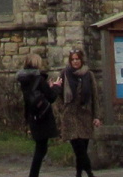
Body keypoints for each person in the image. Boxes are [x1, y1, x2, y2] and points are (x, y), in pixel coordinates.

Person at [16, 53, 62, 177]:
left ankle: (33, 174)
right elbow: (51, 97)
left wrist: (48, 87)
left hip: (33, 116)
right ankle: (33, 174)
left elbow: (34, 95)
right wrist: (56, 87)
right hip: (43, 116)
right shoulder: (38, 79)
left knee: (41, 147)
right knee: (41, 148)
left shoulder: (24, 80)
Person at [58, 48, 102, 177]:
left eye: (77, 59)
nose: (75, 62)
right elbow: (57, 93)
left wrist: (96, 116)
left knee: (83, 146)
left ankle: (78, 173)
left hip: (85, 115)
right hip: (70, 115)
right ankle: (89, 172)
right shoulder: (64, 73)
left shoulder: (88, 74)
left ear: (81, 60)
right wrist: (62, 109)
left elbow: (95, 96)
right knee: (79, 148)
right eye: (73, 59)